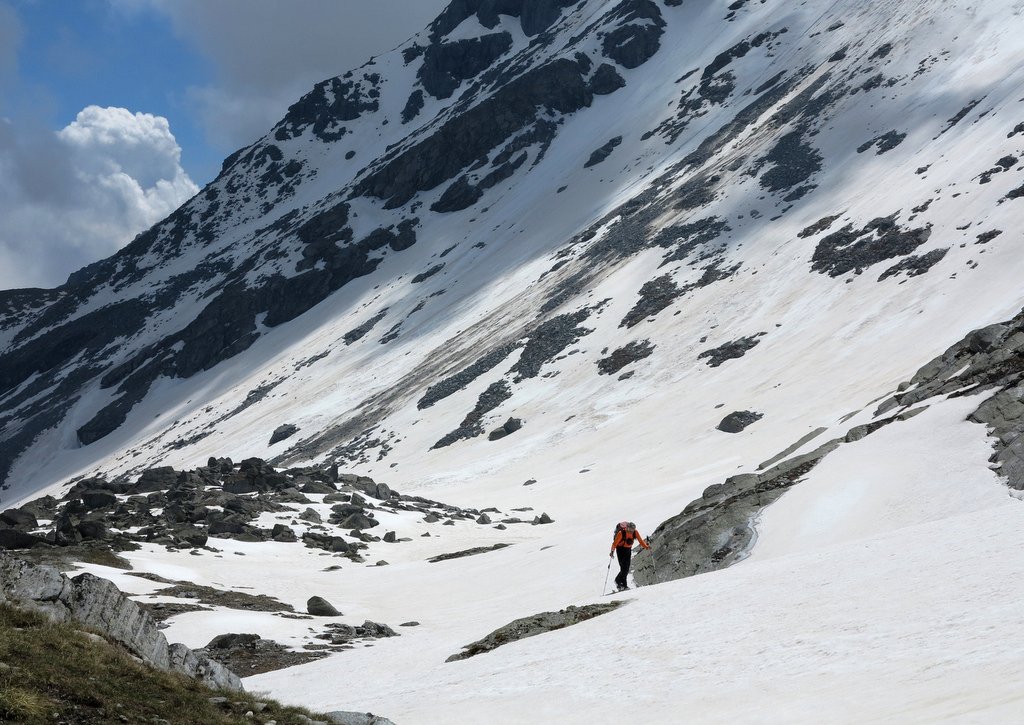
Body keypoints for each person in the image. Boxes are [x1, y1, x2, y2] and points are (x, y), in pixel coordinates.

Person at [610, 521, 650, 591]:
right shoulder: (621, 533)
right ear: (627, 528)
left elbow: (640, 541)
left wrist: (646, 547)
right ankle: (623, 585)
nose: (631, 531)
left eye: (632, 529)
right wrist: (612, 552)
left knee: (626, 568)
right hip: (620, 550)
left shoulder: (635, 532)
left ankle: (618, 582)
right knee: (623, 568)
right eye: (630, 529)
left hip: (628, 550)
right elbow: (615, 543)